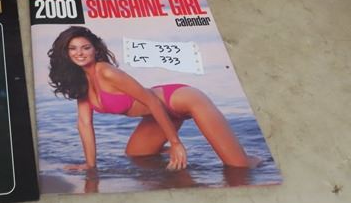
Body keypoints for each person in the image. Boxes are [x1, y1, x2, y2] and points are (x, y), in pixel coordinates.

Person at [47, 26, 261, 171]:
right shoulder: (80, 83)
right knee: (137, 156)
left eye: (85, 47)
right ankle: (188, 159)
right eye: (73, 49)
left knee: (239, 167)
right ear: (65, 53)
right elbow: (84, 124)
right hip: (159, 113)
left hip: (184, 100)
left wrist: (175, 143)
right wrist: (90, 165)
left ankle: (260, 159)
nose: (80, 53)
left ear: (95, 50)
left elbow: (151, 100)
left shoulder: (106, 72)